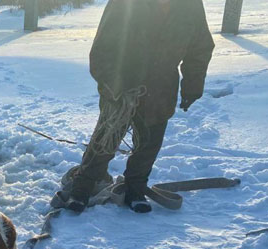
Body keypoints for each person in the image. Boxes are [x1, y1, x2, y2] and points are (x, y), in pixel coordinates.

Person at [55, 0, 214, 213]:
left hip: (162, 86)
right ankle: (82, 187)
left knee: (150, 141)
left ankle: (135, 188)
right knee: (106, 138)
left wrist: (192, 86)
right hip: (121, 84)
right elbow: (102, 47)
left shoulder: (190, 5)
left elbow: (200, 47)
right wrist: (112, 84)